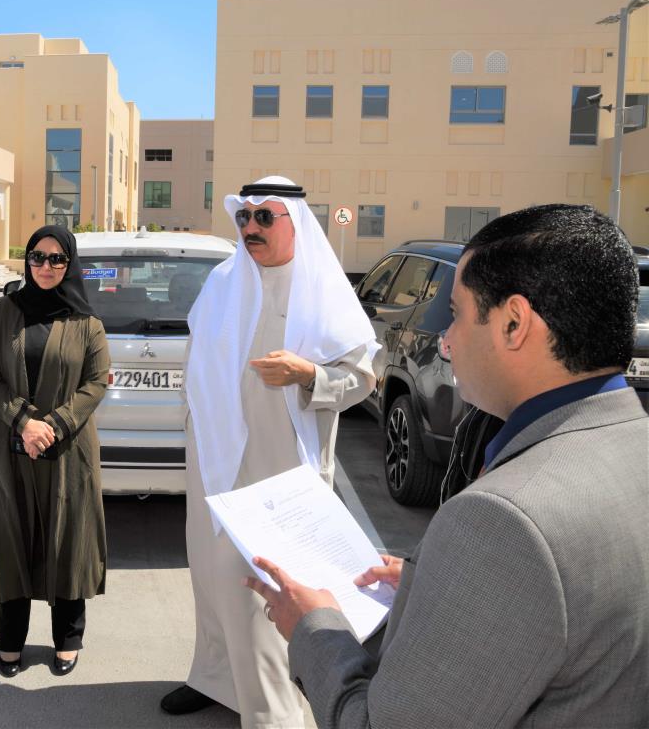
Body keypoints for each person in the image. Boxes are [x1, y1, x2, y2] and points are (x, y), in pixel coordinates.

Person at [248, 204, 649, 729]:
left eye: (456, 314)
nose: (446, 339)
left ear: (513, 323)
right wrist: (440, 585)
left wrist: (313, 628)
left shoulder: (502, 523)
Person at [161, 176, 378, 726]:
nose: (251, 227)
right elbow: (197, 358)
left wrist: (309, 375)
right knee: (210, 574)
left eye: (264, 217)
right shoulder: (222, 281)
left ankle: (274, 713)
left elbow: (362, 379)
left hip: (280, 468)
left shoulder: (320, 288)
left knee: (261, 590)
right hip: (214, 459)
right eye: (244, 217)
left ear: (295, 223)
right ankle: (213, 677)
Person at [0, 224, 110, 678]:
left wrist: (52, 426)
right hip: (10, 446)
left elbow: (95, 384)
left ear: (70, 264)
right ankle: (10, 639)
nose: (45, 266)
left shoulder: (87, 323)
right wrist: (24, 421)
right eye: (37, 257)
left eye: (56, 259)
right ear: (26, 261)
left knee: (68, 539)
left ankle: (68, 639)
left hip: (68, 448)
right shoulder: (1, 312)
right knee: (15, 539)